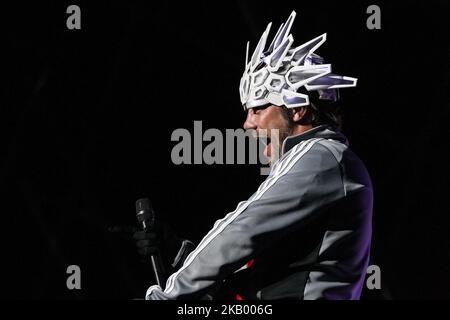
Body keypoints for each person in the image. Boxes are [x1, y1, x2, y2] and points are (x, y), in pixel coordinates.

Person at [134, 11, 373, 300]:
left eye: (258, 109)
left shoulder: (322, 156)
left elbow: (242, 231)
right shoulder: (319, 163)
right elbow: (257, 265)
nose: (248, 123)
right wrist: (179, 251)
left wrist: (168, 296)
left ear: (297, 109)